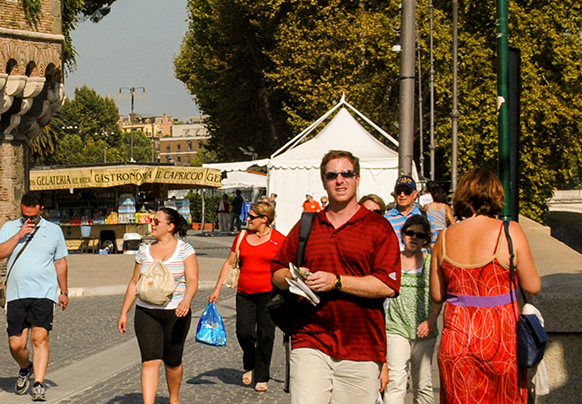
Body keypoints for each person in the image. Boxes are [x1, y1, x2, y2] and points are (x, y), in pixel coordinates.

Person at [272, 148, 401, 404]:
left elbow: (387, 285)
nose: (339, 180)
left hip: (361, 345)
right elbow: (276, 271)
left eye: (346, 174)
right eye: (332, 175)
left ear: (358, 179)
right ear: (324, 182)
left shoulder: (378, 227)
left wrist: (337, 281)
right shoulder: (307, 225)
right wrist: (295, 277)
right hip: (309, 337)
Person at [431, 168, 541, 404]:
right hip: (501, 342)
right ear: (496, 195)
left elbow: (437, 294)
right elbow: (532, 286)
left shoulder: (444, 238)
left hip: (457, 342)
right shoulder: (509, 232)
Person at [0, 190, 71, 402]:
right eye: (25, 215)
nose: (29, 219)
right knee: (16, 345)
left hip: (43, 293)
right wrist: (19, 234)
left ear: (41, 210)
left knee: (40, 338)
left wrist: (63, 291)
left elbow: (60, 262)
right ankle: (25, 367)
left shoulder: (54, 231)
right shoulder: (10, 228)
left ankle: (38, 383)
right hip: (16, 294)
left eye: (33, 217)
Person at [118, 207, 198, 404]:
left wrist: (186, 300)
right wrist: (124, 313)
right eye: (152, 220)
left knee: (172, 361)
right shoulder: (144, 250)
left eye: (156, 221)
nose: (152, 224)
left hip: (176, 313)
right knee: (150, 360)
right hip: (147, 311)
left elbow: (193, 280)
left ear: (170, 226)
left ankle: (174, 398)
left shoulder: (185, 250)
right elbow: (134, 283)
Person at [209, 198, 284, 392]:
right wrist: (217, 288)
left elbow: (286, 266)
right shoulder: (242, 237)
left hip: (269, 294)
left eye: (252, 217)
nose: (247, 219)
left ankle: (262, 376)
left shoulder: (279, 239)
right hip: (245, 293)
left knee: (266, 335)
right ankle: (251, 363)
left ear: (264, 219)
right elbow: (229, 262)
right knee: (244, 332)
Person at [384, 212, 439, 404]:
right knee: (396, 382)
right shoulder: (391, 260)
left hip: (424, 329)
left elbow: (438, 295)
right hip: (396, 327)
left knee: (423, 384)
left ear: (426, 240)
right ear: (402, 234)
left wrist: (432, 319)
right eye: (410, 233)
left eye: (420, 235)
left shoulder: (432, 263)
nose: (414, 237)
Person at [386, 178, 434, 246]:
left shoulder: (426, 218)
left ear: (415, 194)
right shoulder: (386, 219)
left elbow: (433, 245)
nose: (402, 195)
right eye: (399, 191)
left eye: (407, 191)